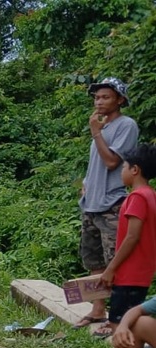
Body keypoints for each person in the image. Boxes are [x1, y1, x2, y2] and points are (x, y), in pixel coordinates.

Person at [61, 144, 156, 348]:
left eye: (124, 168)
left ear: (134, 170)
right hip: (142, 271)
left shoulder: (136, 198)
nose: (122, 172)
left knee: (119, 322)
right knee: (123, 319)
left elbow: (132, 237)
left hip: (130, 272)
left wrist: (112, 267)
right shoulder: (151, 195)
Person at [73, 77, 140, 330]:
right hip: (91, 203)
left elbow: (112, 162)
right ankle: (98, 310)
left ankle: (119, 319)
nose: (99, 102)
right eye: (96, 97)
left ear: (120, 100)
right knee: (94, 262)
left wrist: (96, 132)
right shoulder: (101, 128)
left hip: (112, 204)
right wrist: (88, 184)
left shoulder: (126, 125)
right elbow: (99, 165)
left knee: (116, 262)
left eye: (105, 97)